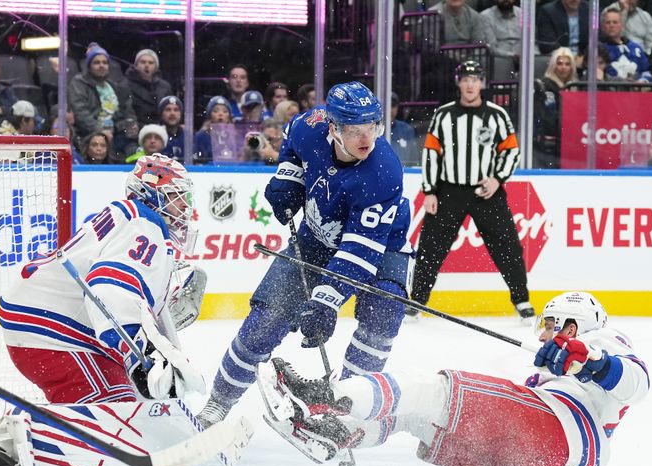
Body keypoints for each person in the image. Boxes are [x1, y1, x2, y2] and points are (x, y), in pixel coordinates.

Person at [259, 291, 650, 466]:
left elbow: (637, 385)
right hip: (535, 463)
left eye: (550, 325)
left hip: (562, 431)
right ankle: (337, 434)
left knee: (427, 390)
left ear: (571, 326)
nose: (544, 334)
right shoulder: (554, 368)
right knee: (413, 416)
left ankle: (324, 397)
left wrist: (592, 361)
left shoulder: (604, 340)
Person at [196, 82, 414, 428]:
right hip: (315, 241)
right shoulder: (308, 125)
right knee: (266, 319)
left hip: (381, 247)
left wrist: (326, 303)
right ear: (333, 127)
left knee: (384, 311)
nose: (366, 139)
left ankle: (346, 413)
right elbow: (293, 149)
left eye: (372, 127)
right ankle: (218, 403)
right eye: (355, 130)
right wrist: (289, 180)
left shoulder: (383, 172)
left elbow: (359, 252)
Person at [0, 154, 208, 466]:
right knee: (118, 421)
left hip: (52, 322)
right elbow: (110, 286)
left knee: (131, 408)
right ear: (153, 194)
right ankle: (11, 441)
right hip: (53, 329)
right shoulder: (143, 226)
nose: (185, 209)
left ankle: (26, 430)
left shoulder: (134, 219)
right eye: (178, 198)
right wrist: (138, 355)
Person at [408, 60, 533, 321]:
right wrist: (430, 191)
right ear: (459, 83)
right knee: (431, 247)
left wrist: (497, 179)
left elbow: (510, 151)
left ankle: (521, 300)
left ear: (482, 83)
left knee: (508, 246)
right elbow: (432, 153)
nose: (469, 84)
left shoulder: (497, 115)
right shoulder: (444, 115)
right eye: (465, 79)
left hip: (486, 193)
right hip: (448, 192)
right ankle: (418, 301)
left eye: (474, 79)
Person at [69, 43, 138, 156]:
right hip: (90, 135)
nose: (101, 65)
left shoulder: (114, 86)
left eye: (105, 62)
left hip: (116, 133)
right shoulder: (79, 83)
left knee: (135, 150)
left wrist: (131, 123)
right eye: (96, 62)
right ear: (89, 66)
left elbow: (127, 110)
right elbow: (81, 113)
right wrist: (100, 132)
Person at [533, 47, 578, 168]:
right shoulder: (544, 86)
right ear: (553, 65)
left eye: (567, 64)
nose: (563, 67)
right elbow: (547, 117)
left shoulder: (576, 87)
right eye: (559, 63)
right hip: (553, 139)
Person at [600, 6, 652, 81]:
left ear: (622, 25)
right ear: (603, 27)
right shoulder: (598, 49)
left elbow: (646, 72)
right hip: (610, 91)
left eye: (615, 22)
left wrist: (643, 81)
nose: (611, 25)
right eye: (608, 22)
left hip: (636, 90)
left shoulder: (636, 48)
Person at [123, 49, 173, 127]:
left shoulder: (165, 87)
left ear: (156, 67)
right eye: (143, 62)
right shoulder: (125, 85)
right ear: (136, 65)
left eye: (151, 63)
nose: (147, 65)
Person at [389, 92, 419, 166]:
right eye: (386, 105)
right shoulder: (372, 130)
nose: (390, 110)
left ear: (397, 108)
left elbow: (414, 161)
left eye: (393, 105)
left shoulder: (407, 130)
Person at [157, 95, 186, 161]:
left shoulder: (189, 137)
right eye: (168, 109)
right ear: (161, 114)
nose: (172, 113)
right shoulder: (155, 136)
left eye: (176, 110)